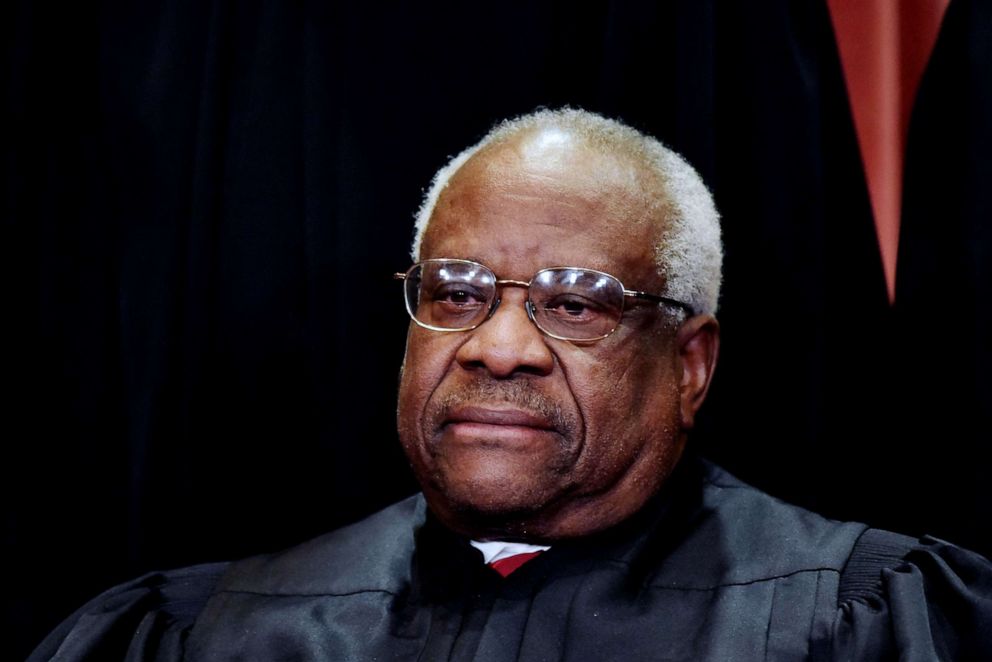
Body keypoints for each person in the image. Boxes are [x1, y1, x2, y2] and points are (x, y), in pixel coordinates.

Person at [30, 108, 992, 661]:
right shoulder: (202, 635)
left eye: (576, 305)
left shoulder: (863, 625)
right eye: (456, 291)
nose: (497, 346)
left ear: (689, 367)